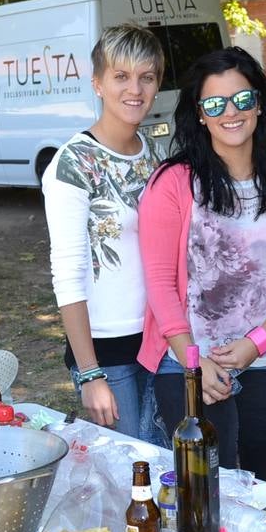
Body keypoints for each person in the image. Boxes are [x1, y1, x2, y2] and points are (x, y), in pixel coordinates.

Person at [137, 47, 266, 481]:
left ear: (258, 102)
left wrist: (257, 341)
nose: (230, 113)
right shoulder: (172, 183)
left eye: (241, 99)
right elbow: (160, 282)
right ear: (200, 114)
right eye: (215, 104)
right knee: (202, 487)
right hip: (189, 361)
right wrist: (193, 361)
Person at [42, 24, 165, 437]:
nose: (135, 89)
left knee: (170, 463)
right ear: (97, 83)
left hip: (162, 341)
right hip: (107, 352)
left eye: (146, 77)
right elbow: (67, 275)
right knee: (135, 472)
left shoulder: (159, 155)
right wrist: (89, 374)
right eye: (121, 76)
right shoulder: (72, 164)